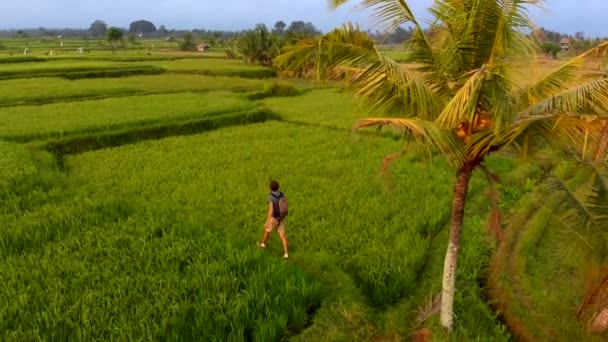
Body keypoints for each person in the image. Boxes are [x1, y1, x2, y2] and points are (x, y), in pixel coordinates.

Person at [257, 180, 289, 259]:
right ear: (278, 187)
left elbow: (271, 210)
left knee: (267, 230)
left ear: (270, 188)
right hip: (281, 218)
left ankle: (263, 245)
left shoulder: (271, 197)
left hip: (274, 218)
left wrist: (267, 222)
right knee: (283, 236)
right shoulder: (282, 194)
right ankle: (286, 254)